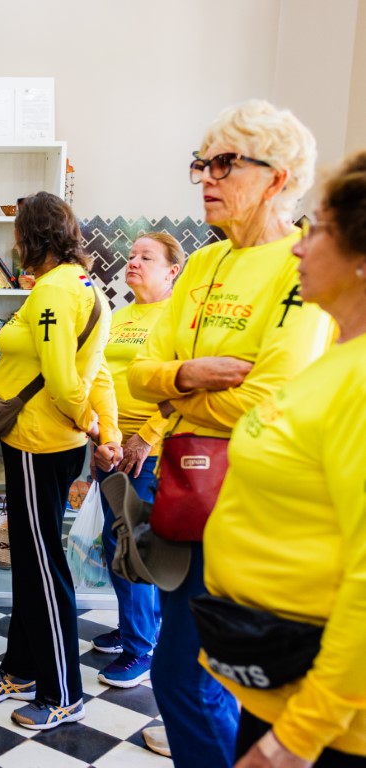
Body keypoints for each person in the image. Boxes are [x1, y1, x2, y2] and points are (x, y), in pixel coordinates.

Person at [127, 100, 335, 768]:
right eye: (202, 164)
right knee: (190, 678)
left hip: (260, 506)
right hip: (187, 496)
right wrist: (190, 374)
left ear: (277, 178)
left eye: (224, 163)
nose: (206, 178)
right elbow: (139, 372)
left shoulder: (300, 264)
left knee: (205, 681)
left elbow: (269, 402)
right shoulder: (202, 266)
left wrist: (175, 392)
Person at [202, 150, 366, 768]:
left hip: (325, 727)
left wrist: (297, 738)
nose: (298, 246)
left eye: (318, 228)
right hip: (280, 678)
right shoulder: (336, 359)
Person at [0, 191, 121, 730]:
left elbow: (62, 378)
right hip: (47, 443)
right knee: (32, 563)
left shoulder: (53, 292)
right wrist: (108, 427)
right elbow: (97, 371)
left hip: (37, 442)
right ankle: (20, 670)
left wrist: (91, 424)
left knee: (42, 568)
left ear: (28, 239)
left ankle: (63, 691)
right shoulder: (84, 286)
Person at [91, 232, 184, 688]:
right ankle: (133, 628)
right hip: (111, 446)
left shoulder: (179, 317)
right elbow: (98, 374)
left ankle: (141, 649)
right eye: (130, 256)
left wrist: (144, 440)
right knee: (115, 545)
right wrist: (104, 435)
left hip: (149, 451)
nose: (133, 263)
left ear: (172, 271)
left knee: (135, 546)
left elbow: (182, 391)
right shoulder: (120, 314)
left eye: (146, 257)